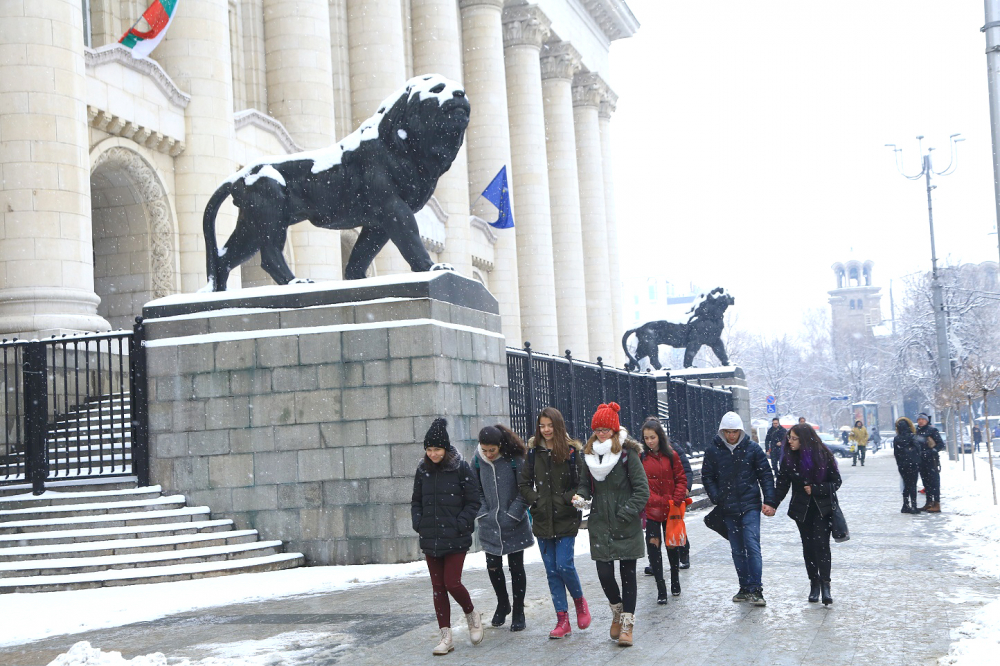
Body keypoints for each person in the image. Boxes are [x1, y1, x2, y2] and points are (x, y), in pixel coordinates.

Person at [574, 403, 649, 647]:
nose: (602, 433)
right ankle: (617, 611)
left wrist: (626, 512)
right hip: (600, 524)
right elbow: (585, 483)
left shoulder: (627, 454)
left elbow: (642, 490)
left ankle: (627, 624)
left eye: (606, 428)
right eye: (598, 429)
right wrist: (581, 497)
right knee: (605, 575)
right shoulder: (589, 454)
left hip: (624, 524)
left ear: (615, 429)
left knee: (628, 575)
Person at [411, 418, 484, 656]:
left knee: (452, 582)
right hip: (430, 536)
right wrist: (419, 522)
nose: (433, 454)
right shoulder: (422, 470)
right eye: (429, 449)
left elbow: (473, 501)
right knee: (438, 587)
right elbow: (416, 501)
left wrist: (461, 523)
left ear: (446, 448)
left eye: (437, 449)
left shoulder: (461, 467)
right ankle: (446, 636)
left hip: (455, 536)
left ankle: (472, 614)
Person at [518, 407, 591, 639]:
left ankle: (580, 602)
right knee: (551, 571)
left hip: (566, 517)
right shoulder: (532, 453)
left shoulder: (571, 452)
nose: (546, 430)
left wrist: (566, 498)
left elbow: (582, 485)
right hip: (542, 519)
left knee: (564, 565)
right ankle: (562, 620)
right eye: (542, 425)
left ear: (558, 426)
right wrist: (536, 501)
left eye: (550, 425)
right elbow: (523, 485)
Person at [701, 411, 776, 607]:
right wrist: (716, 496)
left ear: (740, 431)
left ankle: (757, 588)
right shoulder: (713, 451)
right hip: (728, 507)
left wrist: (769, 500)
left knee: (752, 545)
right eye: (728, 432)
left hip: (750, 505)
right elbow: (707, 476)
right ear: (722, 431)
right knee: (737, 549)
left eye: (735, 431)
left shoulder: (752, 449)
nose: (731, 435)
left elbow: (765, 475)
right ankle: (744, 587)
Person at [773, 424, 842, 606]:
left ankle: (826, 584)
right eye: (790, 437)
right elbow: (782, 484)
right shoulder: (789, 459)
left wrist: (816, 489)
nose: (790, 441)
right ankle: (814, 583)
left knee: (822, 545)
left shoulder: (824, 455)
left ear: (804, 439)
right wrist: (772, 504)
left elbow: (836, 482)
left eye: (794, 438)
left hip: (822, 508)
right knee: (809, 546)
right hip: (801, 510)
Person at [474, 424, 534, 632]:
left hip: (513, 523)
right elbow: (475, 490)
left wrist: (512, 514)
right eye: (485, 450)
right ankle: (503, 603)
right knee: (493, 566)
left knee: (516, 567)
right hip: (489, 524)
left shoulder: (515, 460)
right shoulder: (477, 461)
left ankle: (519, 610)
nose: (489, 454)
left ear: (500, 445)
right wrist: (484, 513)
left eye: (493, 450)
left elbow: (524, 491)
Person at [639, 419, 688, 604]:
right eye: (646, 438)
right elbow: (640, 484)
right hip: (651, 510)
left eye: (653, 437)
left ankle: (675, 579)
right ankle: (661, 587)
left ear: (660, 436)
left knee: (672, 545)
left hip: (671, 510)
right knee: (653, 547)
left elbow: (681, 478)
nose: (650, 441)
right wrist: (653, 500)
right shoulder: (641, 457)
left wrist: (676, 499)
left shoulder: (672, 455)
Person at [915, 413, 945, 512]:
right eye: (919, 419)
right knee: (926, 482)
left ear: (927, 421)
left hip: (932, 460)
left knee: (934, 482)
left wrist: (931, 452)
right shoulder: (916, 431)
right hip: (920, 460)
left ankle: (936, 504)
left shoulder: (932, 430)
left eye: (922, 419)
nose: (920, 421)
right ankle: (928, 502)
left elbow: (940, 444)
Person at [893, 417, 921, 514]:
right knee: (913, 484)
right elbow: (918, 449)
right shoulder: (912, 436)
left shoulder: (896, 438)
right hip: (912, 464)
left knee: (906, 484)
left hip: (902, 465)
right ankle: (914, 506)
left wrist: (900, 463)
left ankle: (905, 504)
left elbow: (896, 453)